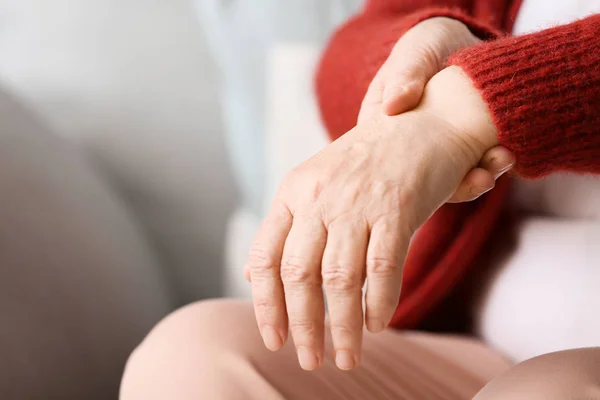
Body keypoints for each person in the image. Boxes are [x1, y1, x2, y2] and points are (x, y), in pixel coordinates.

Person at [120, 0, 600, 398]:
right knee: (193, 357)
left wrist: (467, 109)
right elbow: (348, 58)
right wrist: (418, 52)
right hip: (483, 348)